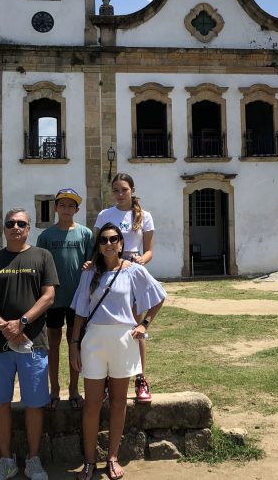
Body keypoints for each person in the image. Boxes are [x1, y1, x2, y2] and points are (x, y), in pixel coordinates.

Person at [70, 222, 166, 480]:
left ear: (122, 243)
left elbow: (159, 296)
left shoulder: (133, 271)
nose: (109, 244)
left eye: (114, 239)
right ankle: (89, 461)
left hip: (123, 340)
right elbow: (80, 312)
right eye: (104, 240)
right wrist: (73, 345)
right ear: (98, 246)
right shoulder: (89, 273)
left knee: (118, 402)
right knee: (92, 404)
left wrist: (143, 324)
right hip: (94, 341)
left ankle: (112, 457)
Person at [0, 208, 59, 480]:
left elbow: (48, 296)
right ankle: (6, 460)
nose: (15, 227)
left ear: (29, 227)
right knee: (0, 403)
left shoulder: (42, 256)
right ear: (4, 228)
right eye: (10, 223)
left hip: (33, 343)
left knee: (35, 404)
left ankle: (33, 460)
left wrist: (21, 322)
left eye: (21, 223)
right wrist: (4, 326)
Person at [93, 173, 155, 403]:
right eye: (116, 190)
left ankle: (140, 379)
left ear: (132, 190)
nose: (120, 194)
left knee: (136, 326)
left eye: (124, 190)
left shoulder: (144, 216)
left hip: (131, 270)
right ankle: (109, 380)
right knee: (109, 323)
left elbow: (148, 250)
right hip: (108, 269)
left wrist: (141, 261)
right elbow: (96, 244)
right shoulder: (105, 215)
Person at [36, 188, 94, 409]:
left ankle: (73, 388)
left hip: (77, 299)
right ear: (55, 208)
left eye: (71, 205)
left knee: (74, 342)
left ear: (77, 209)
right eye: (63, 205)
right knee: (52, 344)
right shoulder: (46, 236)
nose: (67, 209)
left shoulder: (85, 234)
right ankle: (54, 388)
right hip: (53, 299)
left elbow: (91, 263)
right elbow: (39, 266)